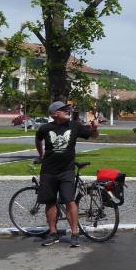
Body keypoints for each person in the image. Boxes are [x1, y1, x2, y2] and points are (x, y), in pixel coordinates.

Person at [35, 101, 98, 247]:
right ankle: (53, 233)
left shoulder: (74, 126)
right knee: (50, 202)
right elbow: (38, 140)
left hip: (67, 171)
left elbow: (94, 136)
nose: (68, 111)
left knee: (70, 201)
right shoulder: (45, 128)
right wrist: (41, 154)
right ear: (54, 113)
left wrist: (95, 129)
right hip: (48, 171)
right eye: (64, 109)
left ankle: (75, 234)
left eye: (68, 109)